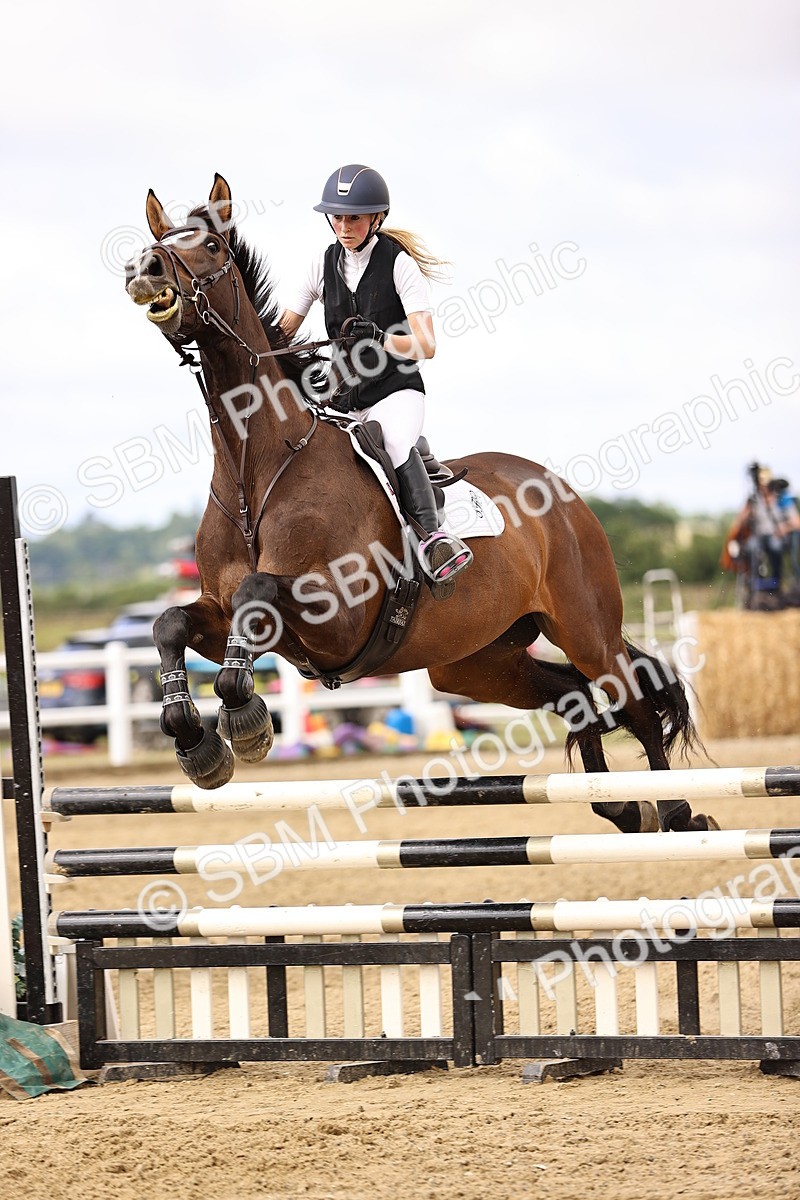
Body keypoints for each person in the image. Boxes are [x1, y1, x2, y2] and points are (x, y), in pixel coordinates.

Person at [280, 163, 472, 593]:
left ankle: (433, 539)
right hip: (344, 399)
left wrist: (384, 338)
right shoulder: (320, 264)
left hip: (395, 392)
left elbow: (427, 344)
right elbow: (284, 330)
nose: (344, 226)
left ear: (376, 219)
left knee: (395, 442)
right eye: (337, 217)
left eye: (354, 217)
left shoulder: (399, 265)